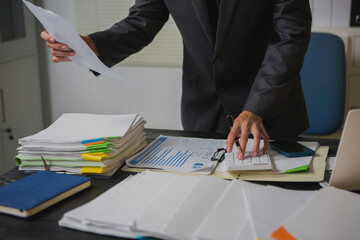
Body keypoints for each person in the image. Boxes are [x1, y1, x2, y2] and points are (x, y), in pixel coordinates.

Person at [41, 0, 312, 160]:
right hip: (202, 112)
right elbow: (142, 20)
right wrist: (91, 45)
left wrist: (257, 107)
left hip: (270, 111)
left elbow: (290, 37)